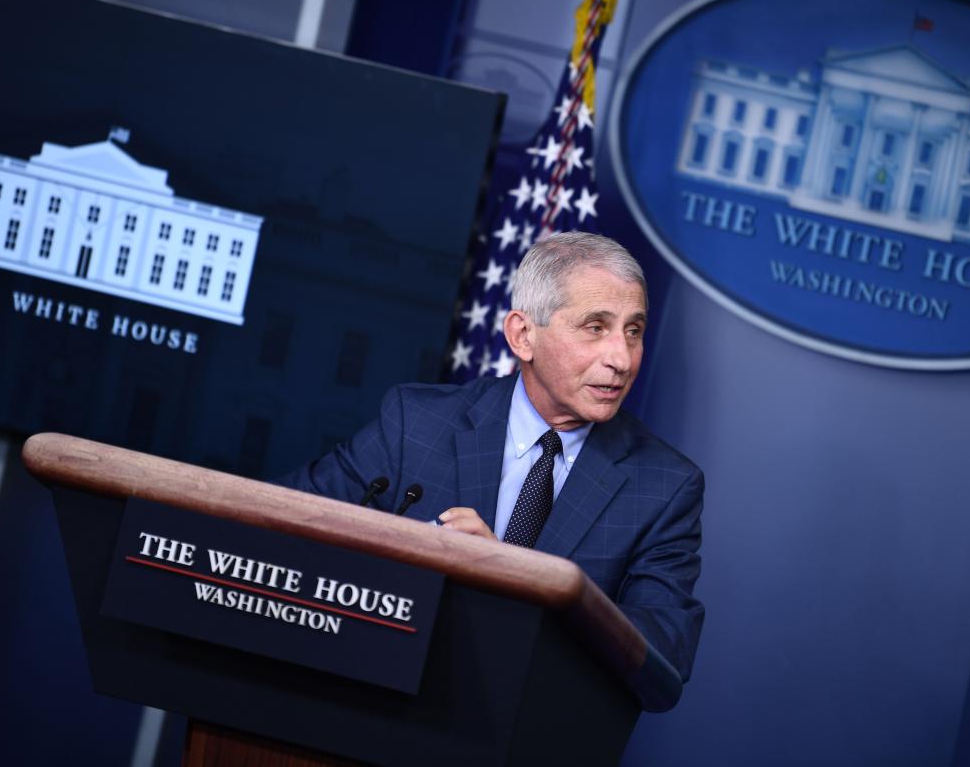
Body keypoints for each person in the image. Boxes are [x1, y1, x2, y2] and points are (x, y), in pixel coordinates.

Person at [278, 232, 704, 683]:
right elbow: (282, 525)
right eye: (595, 327)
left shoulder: (664, 486)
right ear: (523, 335)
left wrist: (510, 579)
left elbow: (663, 656)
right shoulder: (415, 423)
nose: (622, 357)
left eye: (633, 331)